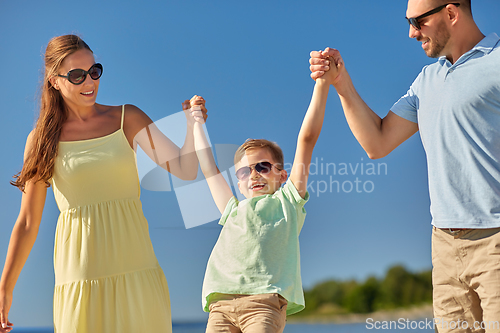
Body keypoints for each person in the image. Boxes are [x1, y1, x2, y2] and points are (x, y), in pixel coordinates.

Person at [310, 0, 500, 332]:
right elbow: (377, 142)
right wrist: (342, 83)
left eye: (417, 21)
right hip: (444, 248)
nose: (411, 32)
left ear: (451, 13)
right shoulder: (427, 80)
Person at [0, 34, 206, 333]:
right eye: (77, 75)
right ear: (54, 81)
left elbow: (185, 170)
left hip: (137, 269)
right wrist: (5, 291)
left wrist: (191, 124)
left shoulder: (127, 118)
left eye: (94, 71)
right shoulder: (42, 140)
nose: (89, 82)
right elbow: (29, 221)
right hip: (81, 276)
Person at [189, 54, 335, 332]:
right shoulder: (232, 209)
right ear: (238, 182)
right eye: (244, 172)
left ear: (282, 175)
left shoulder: (288, 201)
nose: (253, 175)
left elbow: (307, 138)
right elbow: (208, 166)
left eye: (263, 167)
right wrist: (197, 122)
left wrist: (322, 84)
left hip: (264, 305)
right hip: (220, 306)